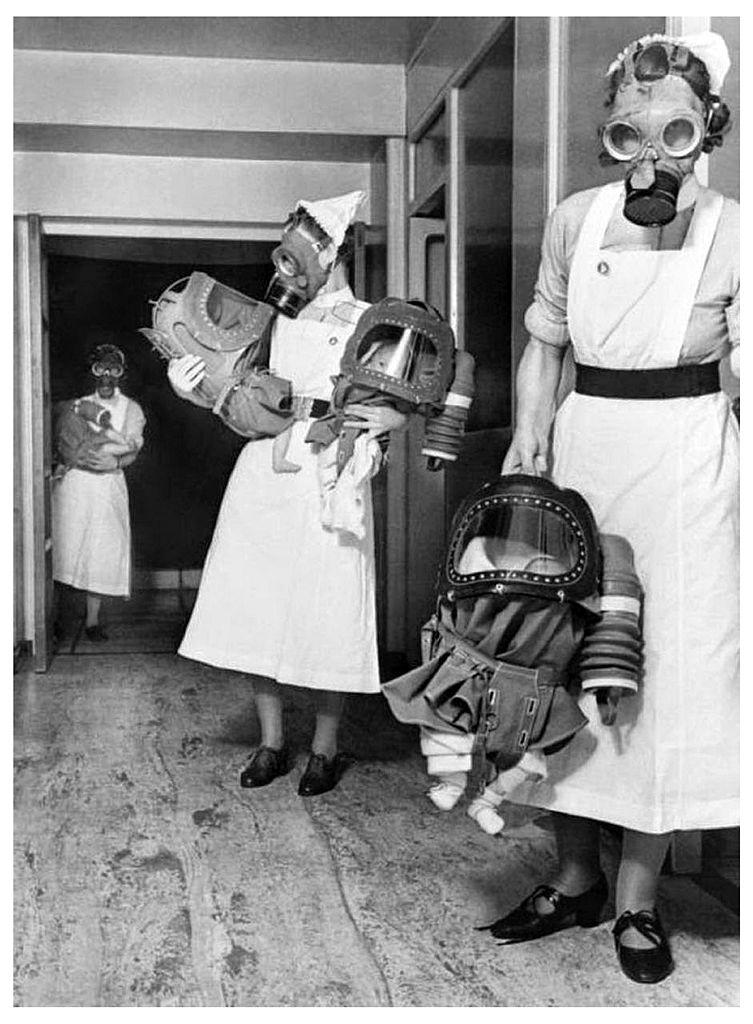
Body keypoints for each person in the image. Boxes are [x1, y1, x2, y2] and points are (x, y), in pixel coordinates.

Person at [493, 31, 739, 984]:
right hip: (584, 449)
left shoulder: (735, 227)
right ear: (607, 135)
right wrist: (528, 436)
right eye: (630, 132)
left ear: (704, 131)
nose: (651, 155)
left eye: (674, 132)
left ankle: (636, 901)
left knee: (660, 677)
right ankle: (572, 874)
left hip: (688, 465)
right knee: (560, 660)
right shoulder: (575, 218)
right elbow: (544, 342)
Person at [167, 191, 407, 797]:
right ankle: (272, 743)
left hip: (332, 469)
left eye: (307, 246)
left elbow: (409, 396)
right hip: (267, 471)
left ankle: (325, 750)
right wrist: (187, 385)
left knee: (330, 609)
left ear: (333, 250)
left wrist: (394, 423)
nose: (290, 264)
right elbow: (232, 390)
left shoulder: (375, 320)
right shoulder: (270, 318)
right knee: (260, 606)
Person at [52, 344, 146, 640]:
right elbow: (64, 441)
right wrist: (63, 464)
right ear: (92, 371)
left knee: (100, 551)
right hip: (74, 487)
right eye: (100, 369)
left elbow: (133, 446)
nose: (107, 376)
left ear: (121, 373)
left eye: (113, 369)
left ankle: (92, 622)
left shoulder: (132, 408)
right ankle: (53, 620)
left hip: (107, 486)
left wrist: (115, 460)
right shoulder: (78, 405)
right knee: (64, 549)